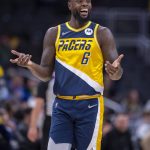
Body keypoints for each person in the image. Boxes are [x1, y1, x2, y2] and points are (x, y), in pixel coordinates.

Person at [10, 0, 124, 149]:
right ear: (70, 5)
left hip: (89, 105)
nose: (85, 4)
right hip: (62, 106)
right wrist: (30, 65)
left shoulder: (101, 33)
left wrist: (115, 72)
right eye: (80, 2)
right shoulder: (54, 33)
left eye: (88, 2)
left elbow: (117, 74)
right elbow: (45, 74)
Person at [27, 75, 55, 150]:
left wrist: (33, 127)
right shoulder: (47, 81)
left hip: (66, 119)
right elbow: (38, 106)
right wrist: (33, 127)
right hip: (51, 120)